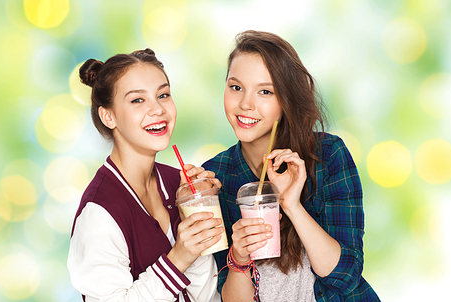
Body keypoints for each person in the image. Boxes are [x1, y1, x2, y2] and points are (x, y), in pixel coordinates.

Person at [203, 30, 380, 301]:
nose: (245, 104)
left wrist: (292, 205)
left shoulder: (327, 155)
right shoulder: (216, 178)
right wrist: (238, 258)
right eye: (236, 87)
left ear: (286, 100)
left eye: (265, 91)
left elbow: (345, 278)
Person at [67, 49, 222, 302]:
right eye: (137, 100)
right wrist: (179, 257)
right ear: (109, 116)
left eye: (163, 95)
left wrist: (193, 212)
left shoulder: (177, 184)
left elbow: (205, 296)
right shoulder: (100, 212)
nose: (158, 109)